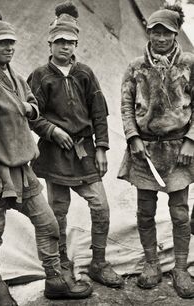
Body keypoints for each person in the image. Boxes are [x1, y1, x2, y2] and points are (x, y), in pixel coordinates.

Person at [0, 7, 92, 305]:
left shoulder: (14, 76)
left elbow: (31, 103)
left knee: (48, 224)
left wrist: (30, 109)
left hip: (23, 168)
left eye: (11, 42)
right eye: (1, 42)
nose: (9, 47)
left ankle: (55, 281)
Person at [27, 1, 124, 289]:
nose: (65, 47)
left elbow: (98, 113)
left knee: (101, 207)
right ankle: (61, 265)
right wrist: (52, 131)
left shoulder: (85, 73)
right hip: (55, 154)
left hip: (84, 152)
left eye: (70, 42)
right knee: (58, 212)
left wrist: (103, 148)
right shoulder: (40, 76)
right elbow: (32, 116)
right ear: (50, 43)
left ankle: (98, 262)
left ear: (76, 43)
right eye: (60, 42)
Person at [117, 3, 194, 299]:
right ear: (148, 33)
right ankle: (151, 264)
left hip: (179, 149)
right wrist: (133, 137)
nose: (160, 38)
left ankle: (180, 268)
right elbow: (126, 106)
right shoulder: (136, 67)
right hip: (145, 150)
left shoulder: (189, 64)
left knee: (179, 212)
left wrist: (190, 140)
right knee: (145, 210)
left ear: (176, 34)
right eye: (155, 32)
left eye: (167, 33)